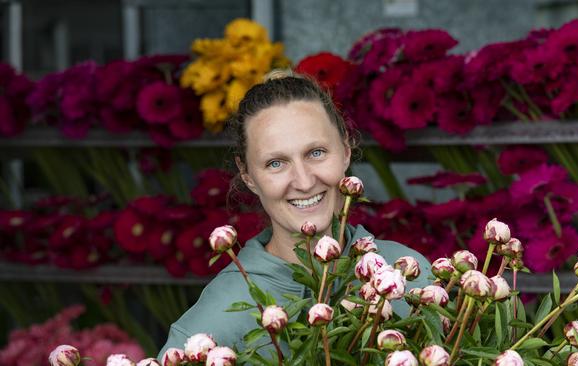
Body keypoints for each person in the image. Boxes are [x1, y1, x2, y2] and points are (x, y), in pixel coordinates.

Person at [158, 70, 432, 358]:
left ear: (346, 150)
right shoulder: (213, 325)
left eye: (316, 152)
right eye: (276, 163)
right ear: (248, 175)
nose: (303, 182)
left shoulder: (410, 276)